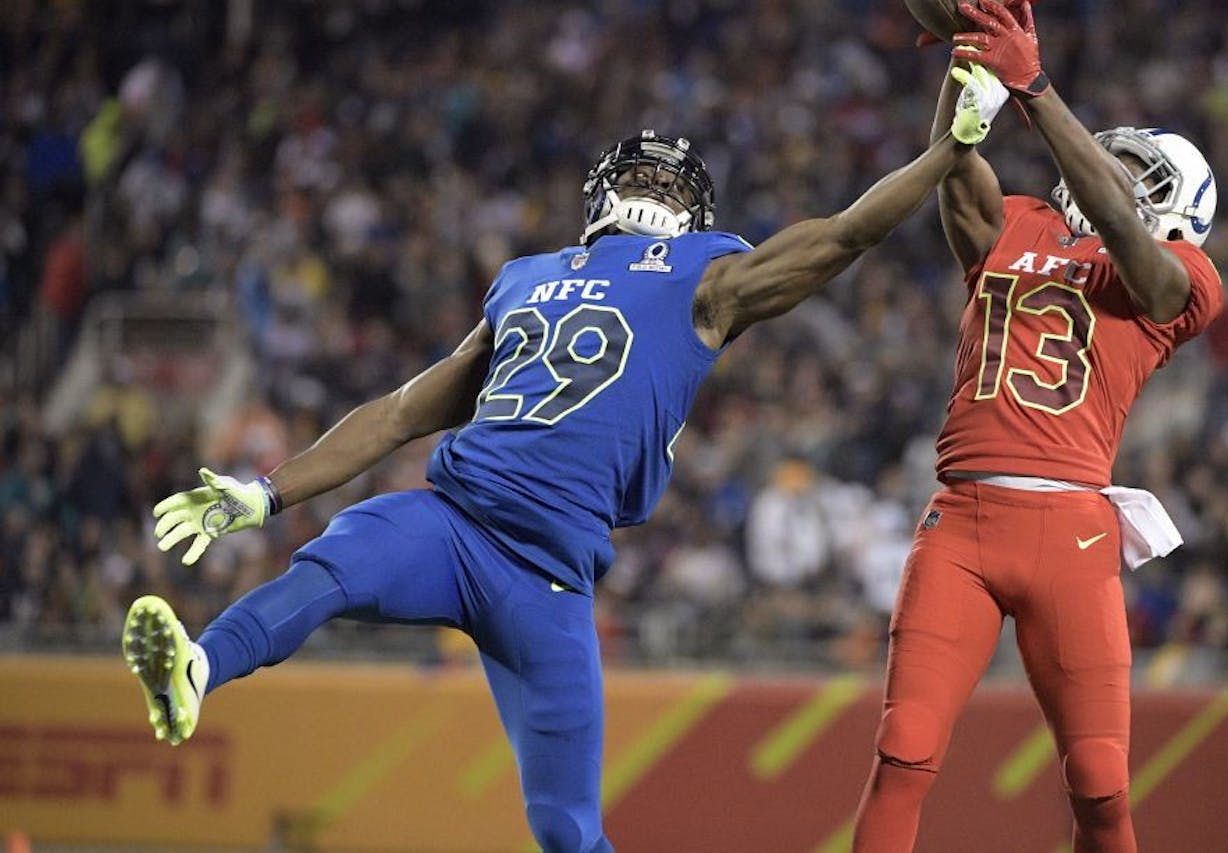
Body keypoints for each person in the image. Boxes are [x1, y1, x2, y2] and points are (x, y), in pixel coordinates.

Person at [122, 108, 991, 852]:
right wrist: (263, 492)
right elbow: (400, 410)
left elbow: (845, 233)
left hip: (548, 576)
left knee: (567, 829)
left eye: (672, 180)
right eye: (644, 172)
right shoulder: (524, 280)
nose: (656, 187)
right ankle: (196, 669)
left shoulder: (707, 278)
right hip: (454, 521)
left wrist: (946, 149)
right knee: (331, 562)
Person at [851, 0, 1224, 853]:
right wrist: (968, 62)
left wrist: (1040, 90)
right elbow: (955, 170)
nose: (1109, 175)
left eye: (1136, 171)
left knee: (1099, 782)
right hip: (964, 521)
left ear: (1178, 208)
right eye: (1110, 161)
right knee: (903, 746)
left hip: (1073, 534)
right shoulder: (1018, 221)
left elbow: (1130, 238)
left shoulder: (1184, 278)